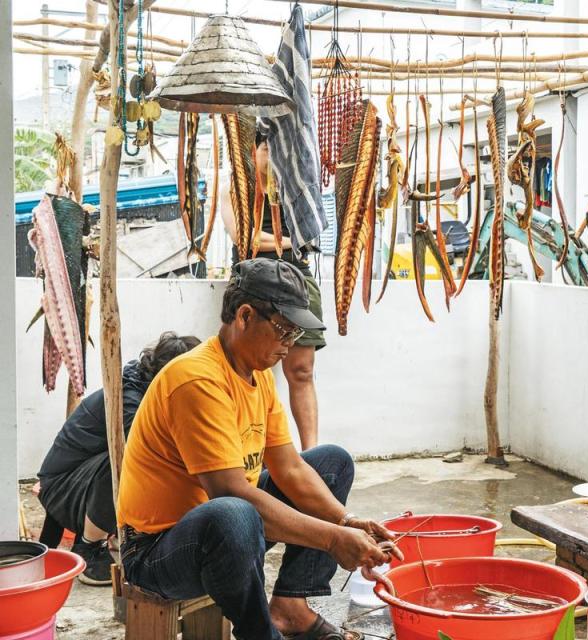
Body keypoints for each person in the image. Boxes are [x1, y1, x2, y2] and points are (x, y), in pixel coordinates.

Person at [116, 259, 396, 640]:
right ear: (245, 316)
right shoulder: (196, 379)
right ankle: (259, 633)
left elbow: (291, 468)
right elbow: (229, 491)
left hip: (223, 527)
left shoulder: (256, 376)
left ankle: (291, 608)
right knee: (235, 512)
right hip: (156, 549)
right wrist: (331, 539)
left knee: (331, 463)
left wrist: (346, 522)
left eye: (296, 332)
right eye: (283, 329)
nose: (290, 344)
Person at [37, 332, 201, 586]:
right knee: (134, 457)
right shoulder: (127, 397)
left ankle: (118, 532)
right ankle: (88, 547)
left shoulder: (151, 389)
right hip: (63, 487)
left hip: (84, 482)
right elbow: (158, 451)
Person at [221, 132, 324, 450]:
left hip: (297, 279)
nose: (273, 155)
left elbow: (314, 227)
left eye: (279, 150)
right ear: (253, 152)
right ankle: (243, 447)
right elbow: (245, 237)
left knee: (301, 370)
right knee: (241, 369)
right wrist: (292, 242)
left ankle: (311, 453)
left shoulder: (295, 190)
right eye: (267, 148)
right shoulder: (235, 188)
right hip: (252, 282)